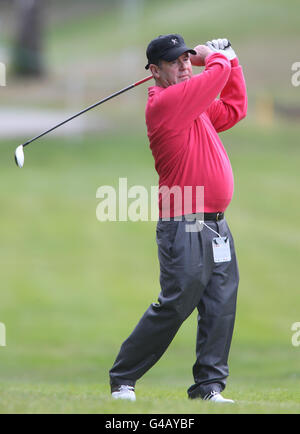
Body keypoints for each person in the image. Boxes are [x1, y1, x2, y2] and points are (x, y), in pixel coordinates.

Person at [109, 34, 247, 403]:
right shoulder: (166, 103)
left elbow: (234, 108)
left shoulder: (194, 106)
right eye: (176, 62)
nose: (186, 65)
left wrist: (230, 61)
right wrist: (214, 57)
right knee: (177, 300)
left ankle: (209, 388)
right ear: (155, 72)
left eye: (188, 59)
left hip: (216, 222)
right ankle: (123, 378)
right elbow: (214, 78)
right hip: (183, 220)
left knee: (220, 303)